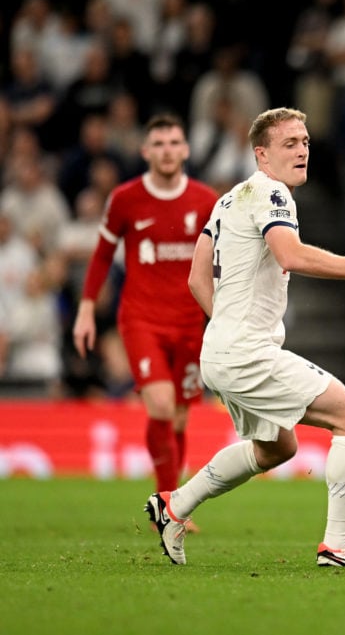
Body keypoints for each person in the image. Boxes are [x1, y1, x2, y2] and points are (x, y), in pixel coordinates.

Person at [144, 107, 345, 568]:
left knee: (278, 447)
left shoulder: (229, 199)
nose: (302, 150)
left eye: (306, 141)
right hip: (246, 351)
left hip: (222, 349)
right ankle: (339, 544)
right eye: (289, 143)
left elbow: (197, 279)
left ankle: (174, 507)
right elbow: (289, 255)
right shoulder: (272, 192)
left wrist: (226, 326)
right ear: (262, 154)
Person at [73, 114, 218, 521]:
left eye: (174, 142)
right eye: (159, 143)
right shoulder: (125, 199)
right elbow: (102, 254)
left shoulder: (206, 201)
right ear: (145, 151)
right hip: (141, 319)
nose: (168, 150)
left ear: (186, 150)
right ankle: (171, 506)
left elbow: (222, 259)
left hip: (190, 322)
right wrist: (85, 309)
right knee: (160, 403)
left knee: (180, 415)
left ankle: (171, 502)